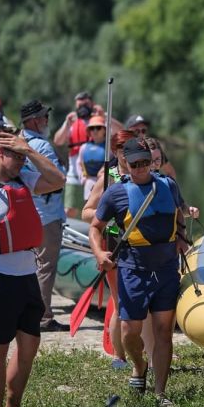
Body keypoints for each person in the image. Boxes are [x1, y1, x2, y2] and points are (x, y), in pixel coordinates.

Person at [0, 131, 66, 407]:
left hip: (26, 275)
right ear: (1, 153)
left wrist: (30, 152)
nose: (21, 161)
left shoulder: (24, 180)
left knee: (29, 345)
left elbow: (58, 179)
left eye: (24, 156)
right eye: (16, 155)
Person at [89, 138, 188, 407]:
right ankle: (139, 363)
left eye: (146, 162)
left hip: (166, 269)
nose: (142, 168)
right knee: (129, 330)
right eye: (136, 164)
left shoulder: (167, 184)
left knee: (163, 331)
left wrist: (181, 236)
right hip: (133, 269)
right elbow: (95, 227)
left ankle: (160, 393)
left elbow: (179, 212)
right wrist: (99, 253)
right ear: (126, 163)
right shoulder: (115, 192)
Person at [82, 130, 136, 367]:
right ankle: (119, 356)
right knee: (120, 301)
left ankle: (140, 352)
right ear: (115, 151)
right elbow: (86, 212)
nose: (128, 151)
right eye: (123, 147)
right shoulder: (108, 177)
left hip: (142, 245)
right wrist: (108, 214)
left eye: (133, 145)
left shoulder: (144, 173)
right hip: (115, 245)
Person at [20, 99, 69, 333]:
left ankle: (27, 311)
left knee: (31, 265)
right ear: (34, 121)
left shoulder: (18, 142)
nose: (46, 120)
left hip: (27, 214)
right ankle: (43, 316)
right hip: (47, 215)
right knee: (45, 268)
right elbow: (58, 180)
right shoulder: (42, 146)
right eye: (43, 117)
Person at [54, 91, 96, 218]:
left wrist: (104, 117)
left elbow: (118, 132)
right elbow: (58, 141)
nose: (83, 108)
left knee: (97, 208)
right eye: (80, 105)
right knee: (69, 209)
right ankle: (70, 235)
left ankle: (98, 233)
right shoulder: (72, 122)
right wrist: (67, 123)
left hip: (96, 173)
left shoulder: (99, 122)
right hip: (75, 173)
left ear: (92, 104)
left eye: (86, 104)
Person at [78, 116, 107, 201]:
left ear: (104, 130)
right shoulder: (84, 147)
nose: (95, 131)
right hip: (89, 181)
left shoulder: (109, 147)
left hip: (104, 182)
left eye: (98, 128)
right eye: (92, 128)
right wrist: (83, 178)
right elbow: (80, 163)